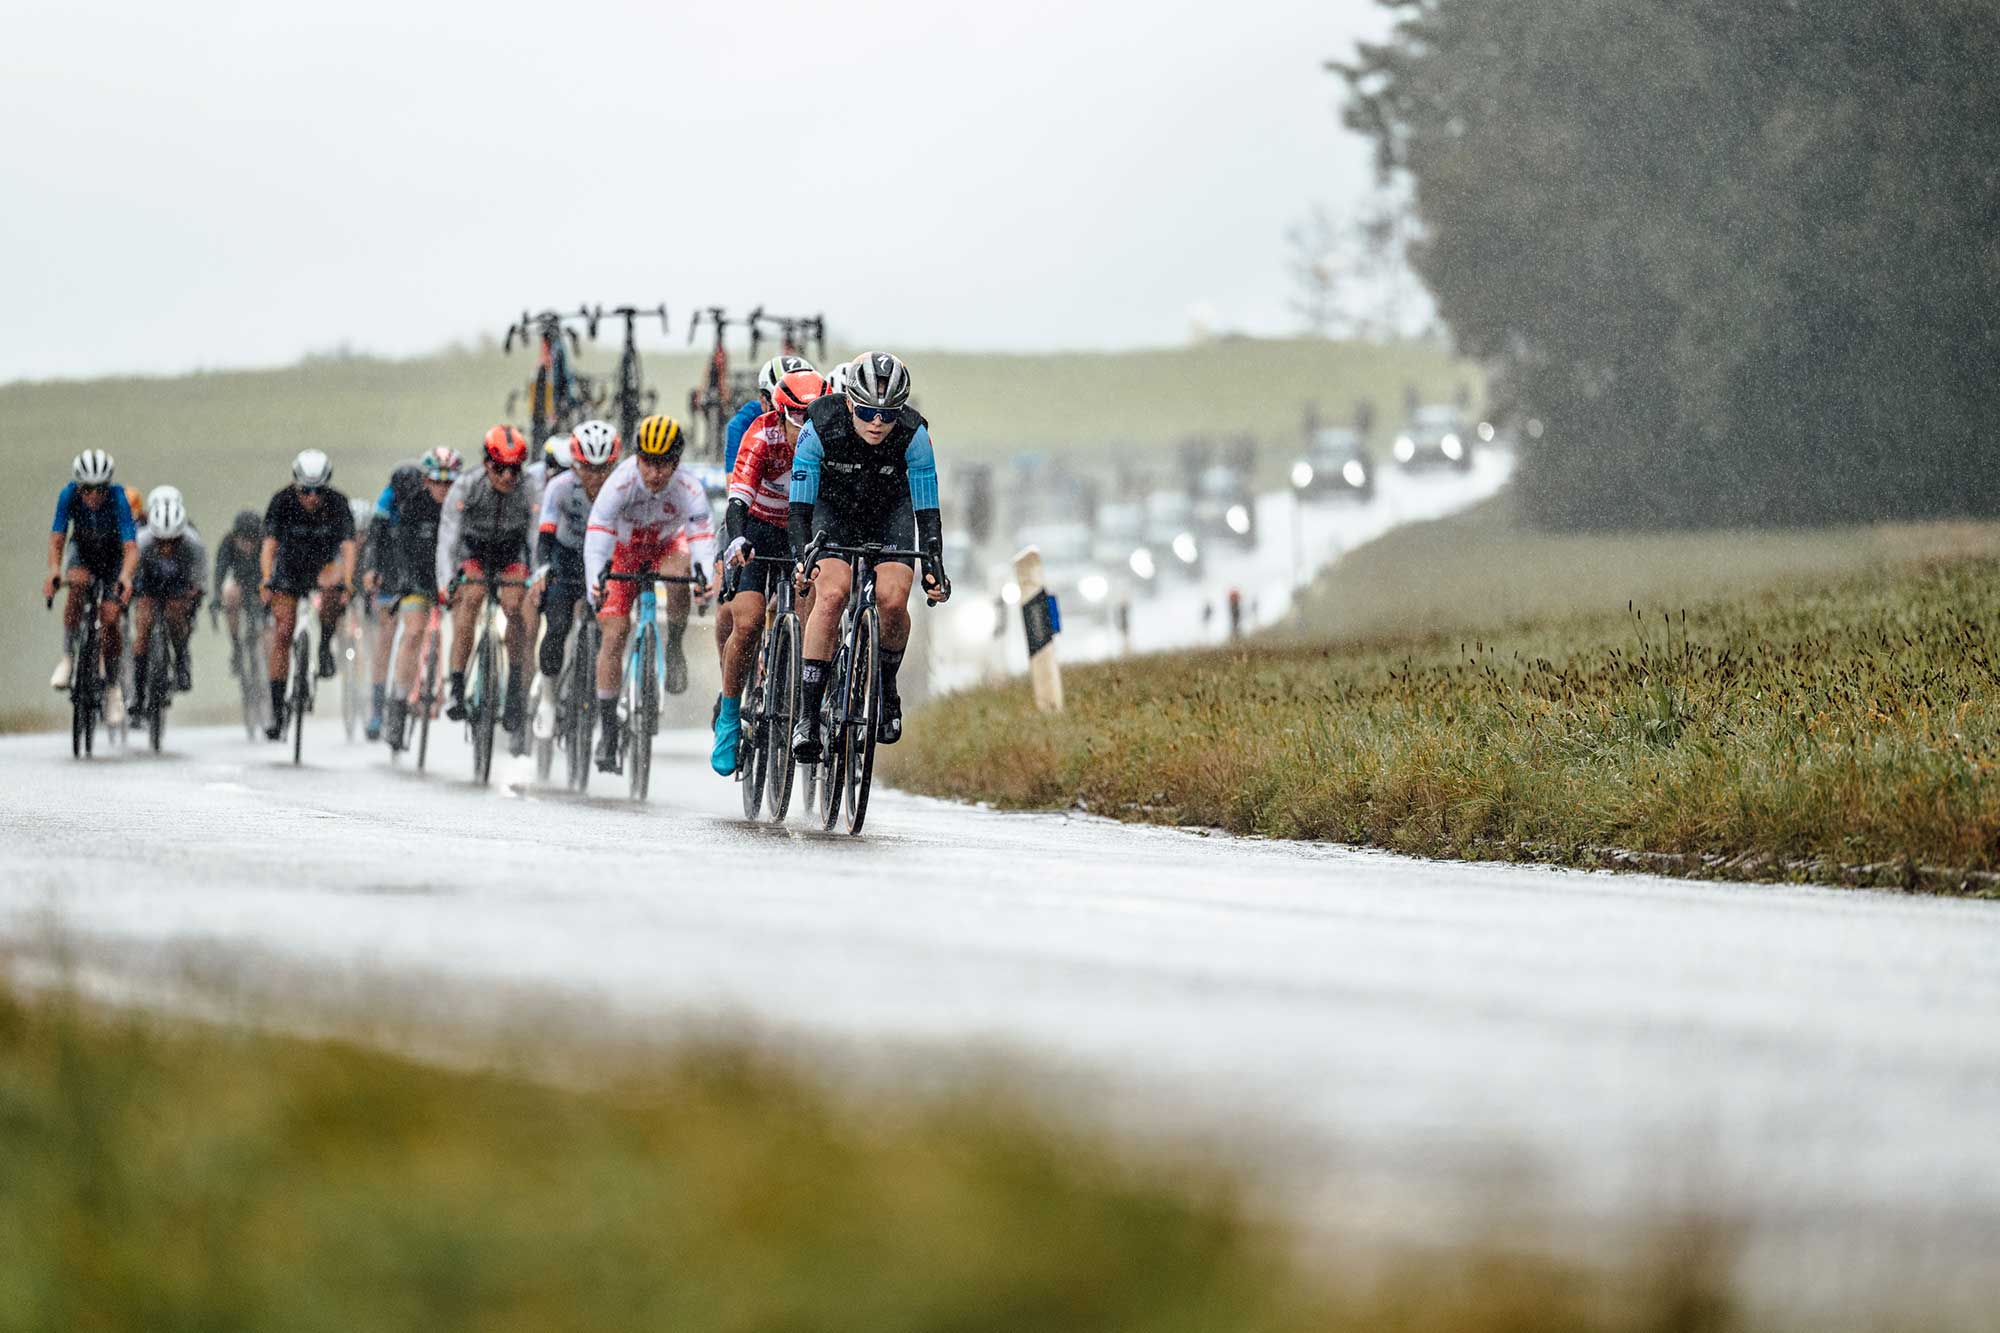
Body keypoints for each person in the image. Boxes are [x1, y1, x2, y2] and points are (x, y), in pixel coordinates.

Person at [787, 352, 951, 763]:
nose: (877, 422)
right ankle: (807, 717)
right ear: (848, 403)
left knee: (894, 598)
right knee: (831, 594)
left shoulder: (914, 434)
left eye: (888, 414)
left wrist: (934, 564)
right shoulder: (820, 425)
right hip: (833, 514)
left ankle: (886, 689)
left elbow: (927, 512)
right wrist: (800, 559)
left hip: (888, 515)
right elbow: (799, 511)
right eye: (866, 412)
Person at [583, 414, 716, 772]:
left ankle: (673, 646)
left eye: (664, 465)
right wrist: (595, 578)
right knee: (614, 635)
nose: (655, 473)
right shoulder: (620, 482)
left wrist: (704, 578)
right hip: (624, 551)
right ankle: (608, 731)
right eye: (648, 463)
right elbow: (597, 531)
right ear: (637, 458)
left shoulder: (688, 487)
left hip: (664, 547)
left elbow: (702, 537)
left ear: (677, 463)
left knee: (680, 571)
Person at [711, 367, 825, 775]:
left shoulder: (826, 438)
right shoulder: (760, 435)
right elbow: (738, 499)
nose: (806, 427)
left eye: (814, 416)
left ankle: (808, 696)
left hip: (804, 529)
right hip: (758, 527)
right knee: (749, 621)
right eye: (797, 417)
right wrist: (738, 539)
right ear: (779, 414)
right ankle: (728, 716)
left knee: (816, 606)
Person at [437, 425, 539, 739]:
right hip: (475, 549)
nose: (508, 477)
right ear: (486, 464)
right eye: (500, 468)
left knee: (514, 608)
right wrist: (446, 581)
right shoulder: (467, 485)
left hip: (511, 550)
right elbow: (448, 537)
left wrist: (535, 577)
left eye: (515, 469)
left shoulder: (531, 488)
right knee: (471, 598)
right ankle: (455, 686)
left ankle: (514, 690)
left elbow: (536, 538)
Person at [531, 420, 619, 742]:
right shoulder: (560, 487)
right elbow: (545, 535)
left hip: (607, 560)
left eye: (603, 469)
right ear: (575, 464)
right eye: (587, 468)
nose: (595, 478)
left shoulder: (621, 487)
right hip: (566, 558)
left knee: (615, 629)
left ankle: (608, 697)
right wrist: (542, 569)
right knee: (556, 625)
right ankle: (548, 699)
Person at [261, 449, 358, 740]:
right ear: (295, 485)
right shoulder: (281, 501)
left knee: (332, 586)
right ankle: (278, 711)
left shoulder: (338, 503)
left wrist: (349, 581)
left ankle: (324, 645)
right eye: (305, 491)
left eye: (318, 491)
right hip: (289, 569)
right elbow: (269, 545)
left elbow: (349, 547)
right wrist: (266, 580)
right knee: (283, 633)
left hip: (323, 567)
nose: (312, 498)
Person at [369, 447, 461, 750]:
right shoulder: (412, 507)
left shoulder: (463, 505)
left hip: (451, 580)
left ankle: (458, 691)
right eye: (437, 482)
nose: (443, 489)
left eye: (450, 483)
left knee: (464, 625)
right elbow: (400, 550)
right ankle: (396, 707)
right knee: (413, 633)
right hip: (417, 580)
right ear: (425, 481)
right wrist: (405, 582)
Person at [45, 450, 140, 726]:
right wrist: (54, 571)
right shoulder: (68, 496)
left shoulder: (118, 498)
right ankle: (67, 657)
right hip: (83, 552)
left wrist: (125, 576)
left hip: (112, 558)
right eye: (87, 489)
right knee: (76, 587)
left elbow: (131, 547)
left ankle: (112, 688)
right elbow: (57, 538)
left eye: (100, 489)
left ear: (107, 486)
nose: (93, 496)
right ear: (79, 485)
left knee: (110, 618)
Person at [130, 490, 207, 716]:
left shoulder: (193, 543)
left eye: (172, 542)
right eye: (160, 542)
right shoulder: (142, 542)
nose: (165, 548)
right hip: (148, 584)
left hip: (178, 585)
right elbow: (129, 574)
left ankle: (182, 661)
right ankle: (138, 690)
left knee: (176, 616)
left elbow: (200, 577)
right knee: (143, 626)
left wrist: (196, 595)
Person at [725, 354, 812, 472]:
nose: (786, 422)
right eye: (779, 408)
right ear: (762, 401)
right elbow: (733, 482)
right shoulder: (743, 423)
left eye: (801, 412)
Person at [212, 509, 265, 677]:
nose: (248, 545)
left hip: (263, 586)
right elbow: (220, 572)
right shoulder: (227, 543)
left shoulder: (268, 544)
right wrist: (217, 596)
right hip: (240, 583)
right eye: (244, 540)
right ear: (236, 538)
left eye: (253, 540)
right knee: (230, 595)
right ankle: (236, 646)